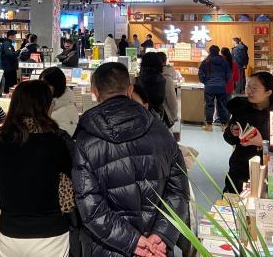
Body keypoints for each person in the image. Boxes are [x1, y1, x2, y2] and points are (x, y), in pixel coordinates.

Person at [73, 62, 189, 257]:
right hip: (156, 249)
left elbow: (90, 206)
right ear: (130, 90)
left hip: (108, 249)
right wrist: (161, 235)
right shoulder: (160, 129)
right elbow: (179, 190)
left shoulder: (85, 139)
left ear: (95, 92)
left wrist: (133, 242)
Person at [0, 81, 73, 257]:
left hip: (9, 232)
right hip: (50, 233)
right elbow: (71, 178)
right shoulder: (56, 140)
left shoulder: (0, 139)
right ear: (45, 106)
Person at [223, 72, 273, 193]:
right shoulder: (241, 108)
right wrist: (232, 132)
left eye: (254, 88)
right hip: (240, 171)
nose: (249, 91)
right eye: (248, 86)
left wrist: (262, 143)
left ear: (268, 92)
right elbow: (228, 138)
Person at [199, 45, 231, 131]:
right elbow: (229, 74)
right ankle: (224, 126)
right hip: (221, 87)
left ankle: (209, 126)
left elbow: (200, 73)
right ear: (218, 51)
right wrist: (224, 82)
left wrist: (205, 82)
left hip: (209, 87)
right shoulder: (224, 61)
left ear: (210, 51)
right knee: (222, 106)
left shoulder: (206, 61)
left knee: (209, 105)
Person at [40, 66, 78, 136]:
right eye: (40, 85)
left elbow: (62, 138)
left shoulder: (68, 110)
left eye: (46, 85)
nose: (42, 88)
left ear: (57, 85)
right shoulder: (49, 103)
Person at [135, 52, 168, 125]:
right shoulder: (162, 79)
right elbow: (160, 99)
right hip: (156, 114)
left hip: (141, 113)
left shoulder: (140, 79)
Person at [156, 52, 179, 127]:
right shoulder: (167, 77)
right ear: (165, 61)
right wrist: (174, 116)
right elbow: (172, 99)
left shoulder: (152, 75)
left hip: (155, 115)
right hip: (164, 114)